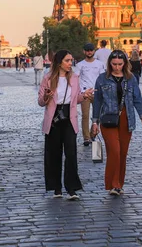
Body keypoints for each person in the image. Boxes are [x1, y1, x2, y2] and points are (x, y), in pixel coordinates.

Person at [91, 49, 142, 196]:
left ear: (125, 64)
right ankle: (113, 184)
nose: (117, 67)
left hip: (126, 118)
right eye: (114, 64)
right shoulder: (102, 79)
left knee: (122, 153)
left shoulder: (131, 78)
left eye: (120, 64)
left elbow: (137, 98)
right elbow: (97, 102)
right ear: (110, 64)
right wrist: (94, 122)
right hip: (108, 118)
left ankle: (118, 184)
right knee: (114, 151)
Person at [38, 49, 93, 200]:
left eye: (71, 61)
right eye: (67, 61)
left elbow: (76, 99)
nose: (70, 63)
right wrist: (46, 96)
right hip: (54, 118)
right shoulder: (48, 78)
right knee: (54, 154)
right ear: (59, 62)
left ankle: (72, 188)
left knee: (71, 153)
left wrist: (85, 95)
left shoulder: (74, 78)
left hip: (70, 117)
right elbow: (41, 102)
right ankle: (56, 188)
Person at [75, 43, 106, 146]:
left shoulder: (100, 64)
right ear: (84, 51)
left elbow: (102, 78)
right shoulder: (80, 65)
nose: (89, 52)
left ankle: (93, 133)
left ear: (94, 51)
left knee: (98, 116)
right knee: (85, 116)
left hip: (97, 93)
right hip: (85, 93)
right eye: (87, 50)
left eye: (91, 50)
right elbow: (76, 78)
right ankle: (86, 138)